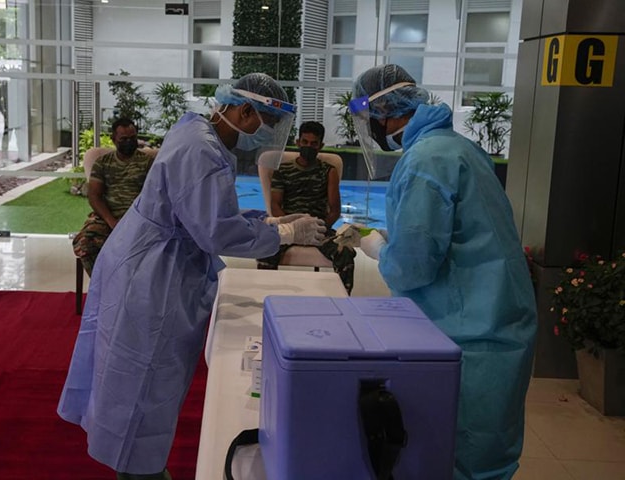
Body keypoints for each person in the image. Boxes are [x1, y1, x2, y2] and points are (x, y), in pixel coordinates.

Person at [58, 73, 325, 480]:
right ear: (244, 111)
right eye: (265, 123)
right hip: (151, 275)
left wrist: (268, 222)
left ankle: (138, 466)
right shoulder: (201, 150)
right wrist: (283, 233)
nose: (267, 134)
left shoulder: (197, 131)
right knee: (143, 379)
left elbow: (207, 212)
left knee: (131, 378)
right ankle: (139, 471)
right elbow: (215, 230)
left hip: (149, 259)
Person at [350, 64, 536, 480]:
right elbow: (459, 236)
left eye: (368, 119)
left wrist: (380, 249)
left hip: (469, 335)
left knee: (456, 458)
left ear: (384, 113)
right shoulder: (457, 147)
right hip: (498, 325)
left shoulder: (424, 161)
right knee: (486, 459)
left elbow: (414, 265)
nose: (372, 130)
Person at [257, 120, 356, 293]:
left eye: (313, 143)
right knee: (265, 248)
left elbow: (334, 210)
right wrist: (291, 229)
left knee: (345, 252)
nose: (308, 146)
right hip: (289, 227)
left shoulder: (328, 171)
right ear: (298, 142)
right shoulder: (283, 170)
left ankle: (343, 300)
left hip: (318, 229)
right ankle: (265, 296)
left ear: (321, 145)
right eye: (305, 142)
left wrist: (317, 229)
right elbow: (275, 205)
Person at [72, 117, 154, 276]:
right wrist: (112, 222)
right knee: (84, 243)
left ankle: (131, 288)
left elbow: (154, 195)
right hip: (108, 217)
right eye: (124, 139)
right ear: (114, 140)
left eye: (133, 138)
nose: (129, 142)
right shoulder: (103, 163)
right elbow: (94, 196)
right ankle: (104, 284)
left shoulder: (148, 163)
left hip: (138, 217)